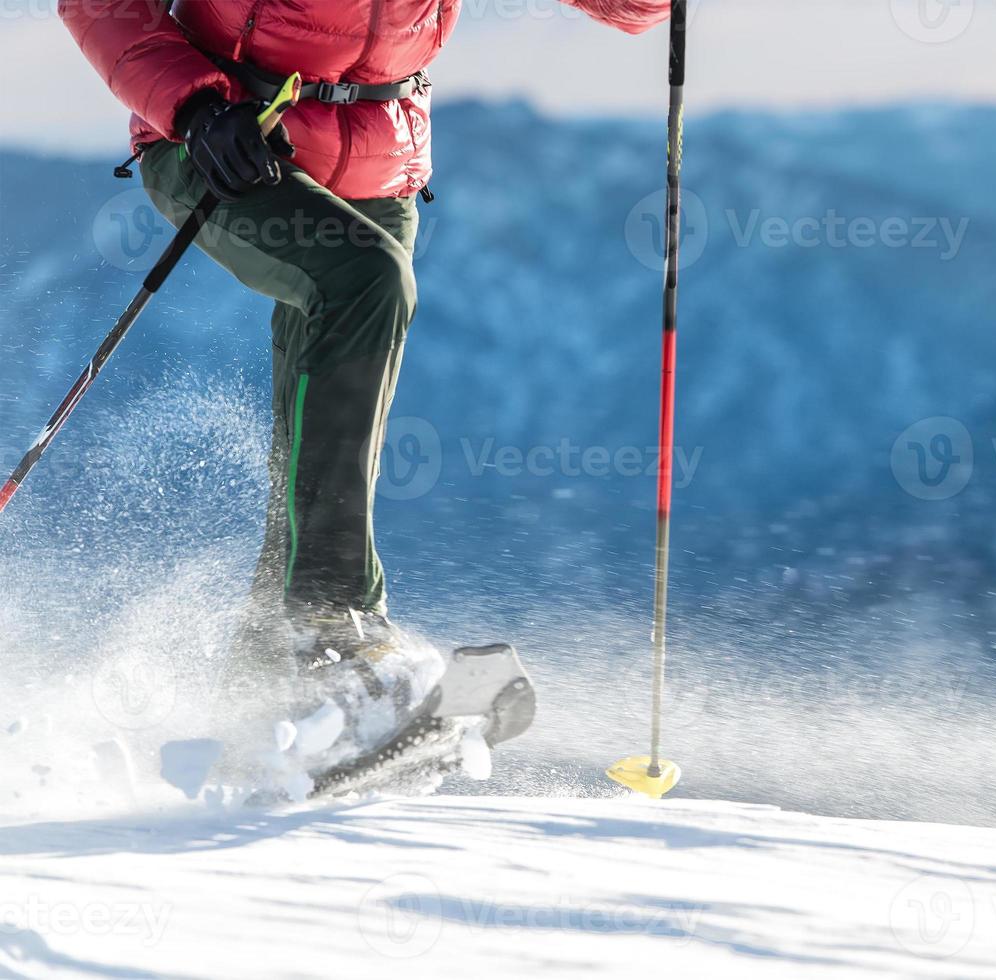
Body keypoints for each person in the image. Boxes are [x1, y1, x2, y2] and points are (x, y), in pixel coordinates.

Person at [60, 2, 670, 683]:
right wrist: (194, 107)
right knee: (367, 279)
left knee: (319, 436)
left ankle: (265, 691)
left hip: (380, 168)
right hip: (230, 138)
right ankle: (327, 622)